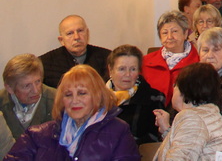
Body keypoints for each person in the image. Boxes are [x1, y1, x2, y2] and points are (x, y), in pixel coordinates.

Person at [5, 64, 139, 161]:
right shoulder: (36, 135)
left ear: (97, 95)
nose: (74, 101)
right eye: (68, 95)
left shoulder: (119, 131)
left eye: (82, 93)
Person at [152, 62, 222, 161]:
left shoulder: (193, 118)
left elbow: (179, 158)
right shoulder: (209, 114)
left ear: (184, 90)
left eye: (175, 86)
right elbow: (189, 146)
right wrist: (166, 130)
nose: (173, 90)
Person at [106, 45, 166, 144]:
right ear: (110, 70)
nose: (127, 74)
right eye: (122, 69)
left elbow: (155, 137)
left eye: (133, 69)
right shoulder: (97, 97)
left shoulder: (153, 98)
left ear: (139, 71)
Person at [142, 10, 199, 106]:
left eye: (174, 31)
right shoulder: (145, 62)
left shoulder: (199, 63)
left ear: (185, 33)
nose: (169, 37)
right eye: (165, 33)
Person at [39, 15, 111, 87]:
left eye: (80, 31)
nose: (76, 37)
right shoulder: (45, 64)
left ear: (87, 33)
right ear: (61, 40)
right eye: (70, 33)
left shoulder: (107, 58)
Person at [1, 54, 56, 141]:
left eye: (38, 82)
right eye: (27, 86)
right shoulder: (1, 102)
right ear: (9, 88)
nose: (36, 90)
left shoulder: (57, 100)